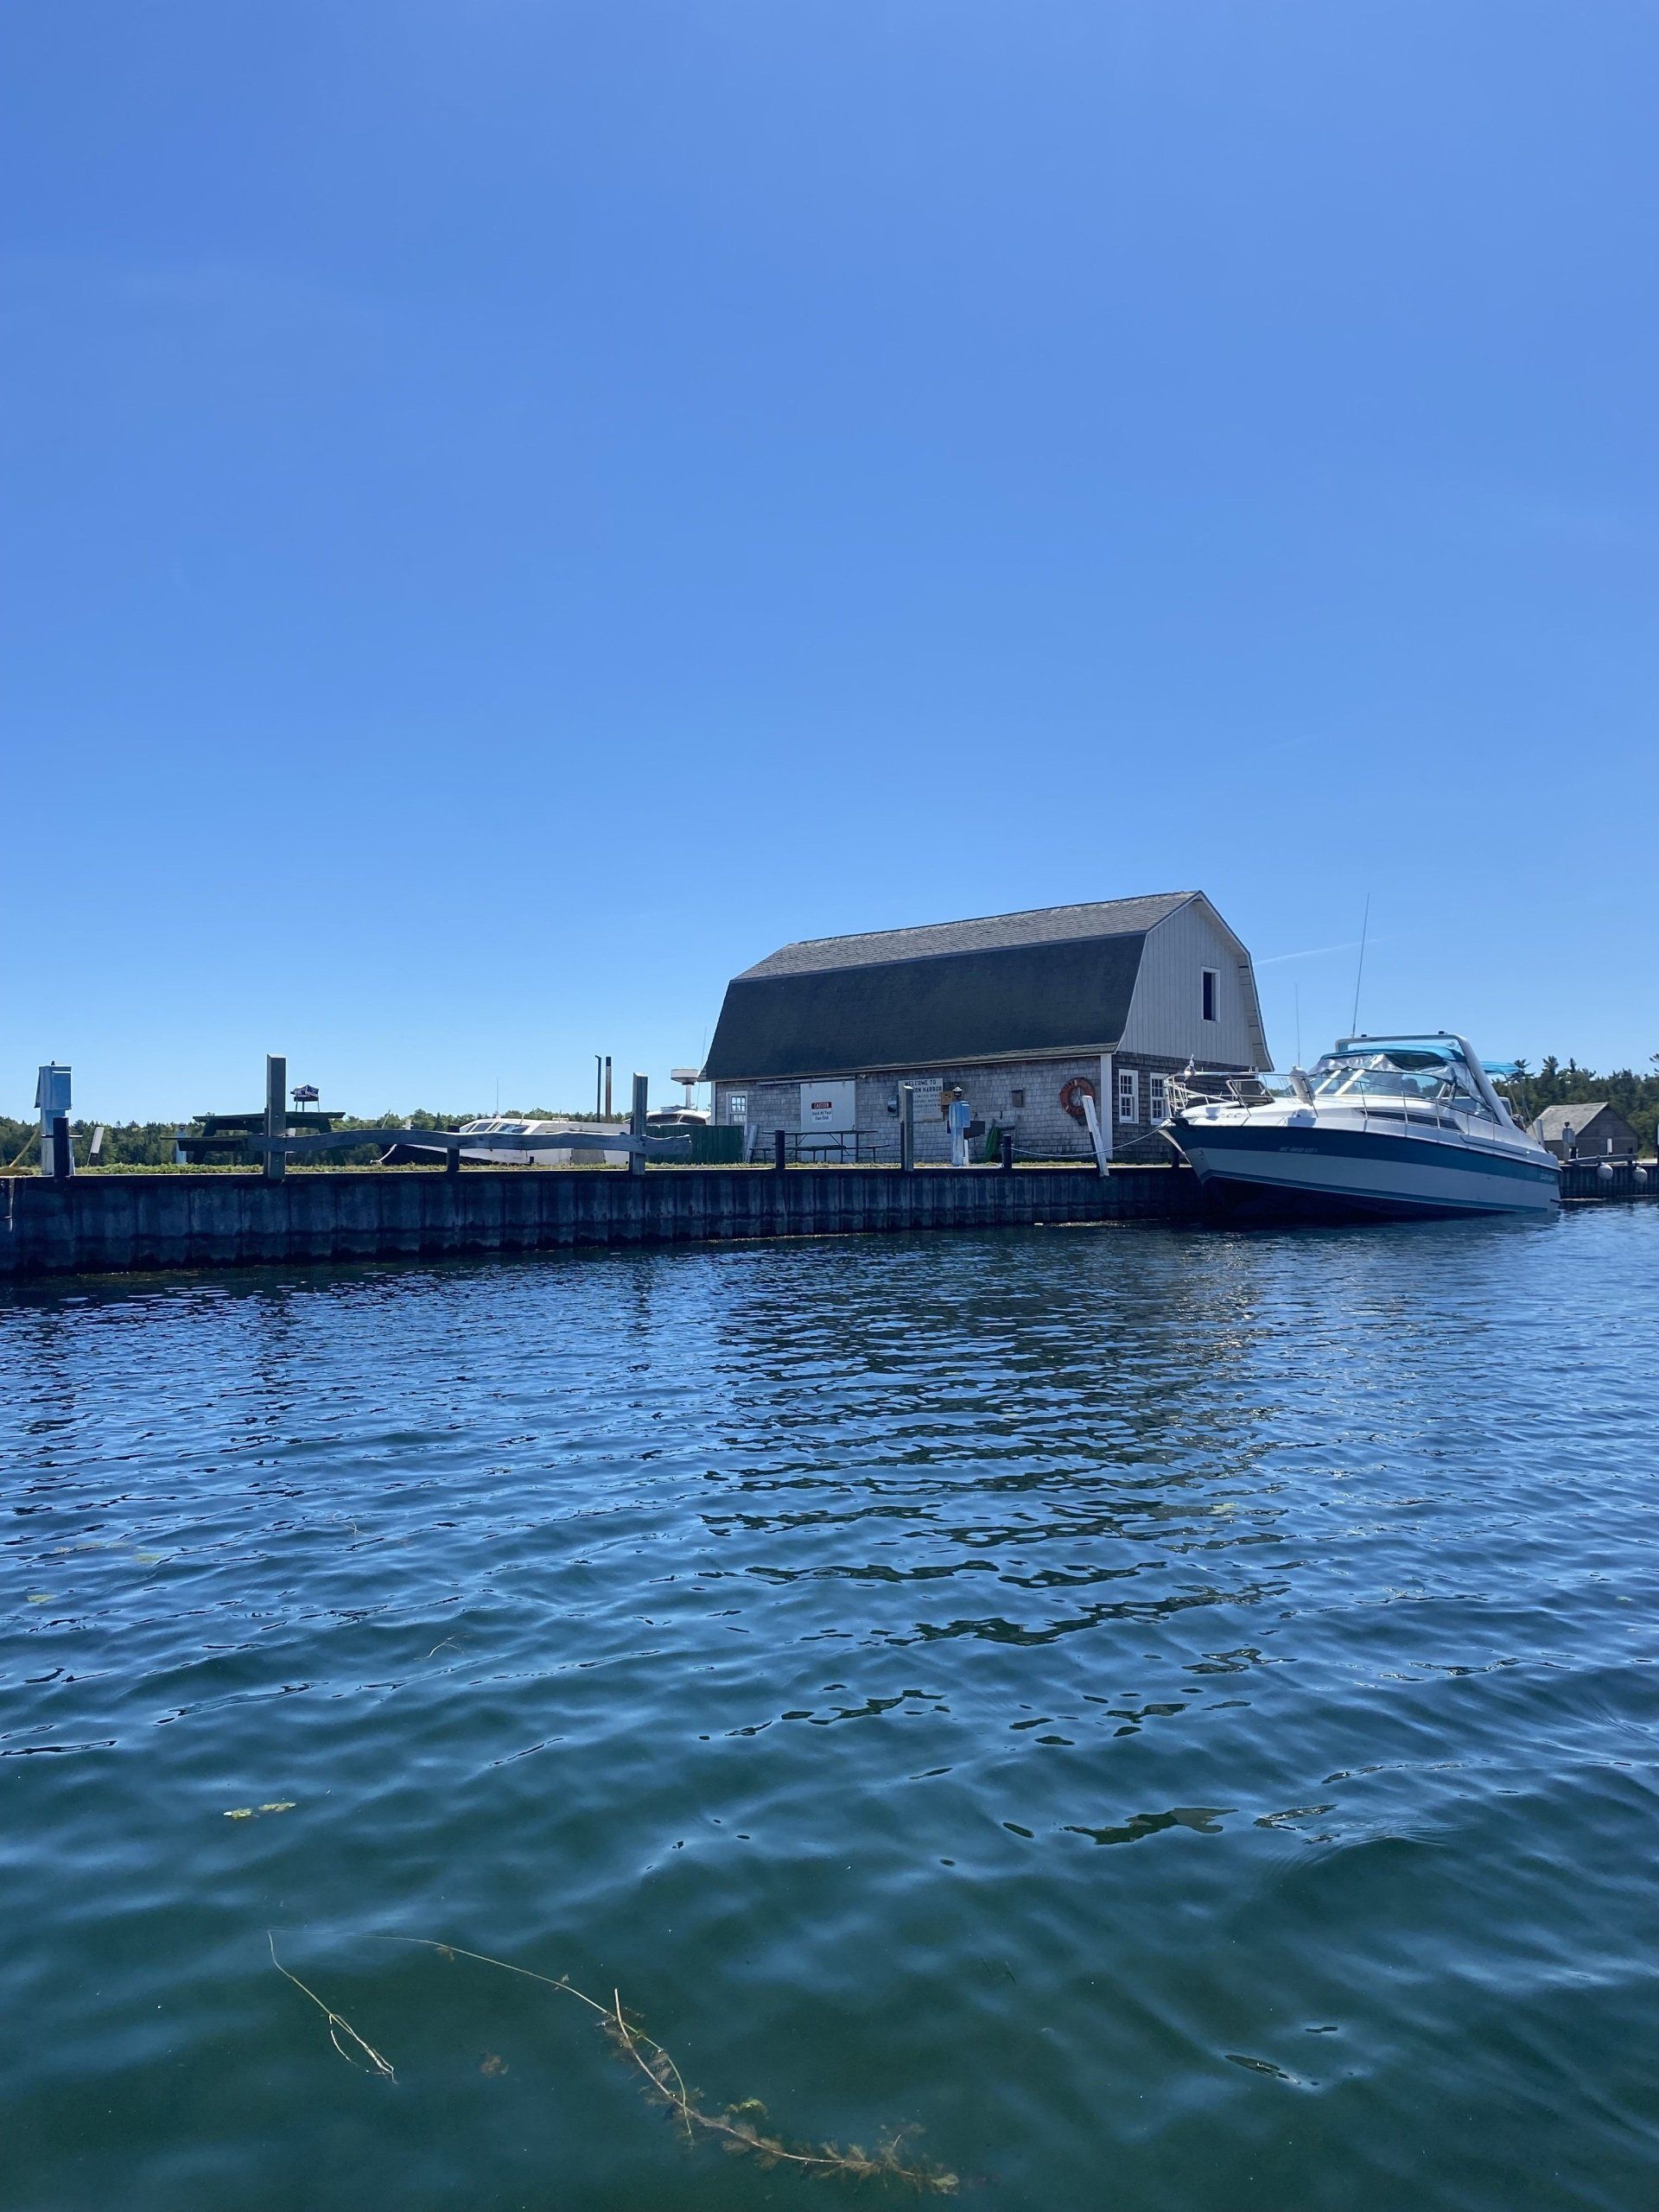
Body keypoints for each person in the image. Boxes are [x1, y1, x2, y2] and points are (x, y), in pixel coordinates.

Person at [944, 1088, 971, 1168]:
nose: (957, 1095)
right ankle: (957, 1160)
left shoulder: (954, 1105)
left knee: (959, 1142)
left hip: (958, 1128)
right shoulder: (953, 1105)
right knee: (957, 1142)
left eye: (958, 1093)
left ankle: (958, 1161)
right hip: (957, 1128)